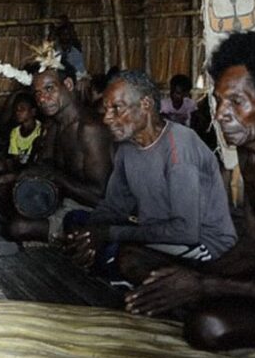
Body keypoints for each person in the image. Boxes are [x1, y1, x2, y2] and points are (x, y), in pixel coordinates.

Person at [127, 33, 255, 353]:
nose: (220, 114)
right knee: (136, 260)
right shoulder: (251, 154)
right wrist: (188, 278)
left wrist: (207, 285)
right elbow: (253, 244)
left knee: (208, 324)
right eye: (219, 100)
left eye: (236, 101)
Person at [63, 70, 236, 283]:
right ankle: (111, 267)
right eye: (106, 109)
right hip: (159, 234)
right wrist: (90, 234)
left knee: (124, 255)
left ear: (145, 104)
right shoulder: (128, 147)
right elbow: (114, 207)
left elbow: (184, 231)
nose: (107, 118)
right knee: (76, 222)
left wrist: (108, 234)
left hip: (204, 245)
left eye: (117, 108)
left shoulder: (179, 146)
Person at [7, 56, 114, 243]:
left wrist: (54, 176)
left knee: (18, 227)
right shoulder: (54, 125)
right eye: (37, 93)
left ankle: (78, 242)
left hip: (92, 210)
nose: (42, 99)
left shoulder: (89, 129)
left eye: (49, 89)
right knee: (5, 195)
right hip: (63, 199)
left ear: (69, 85)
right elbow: (43, 165)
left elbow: (101, 198)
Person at [7, 93, 41, 166]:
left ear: (33, 112)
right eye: (16, 109)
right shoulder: (15, 132)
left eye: (22, 109)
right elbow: (15, 158)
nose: (17, 112)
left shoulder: (41, 130)